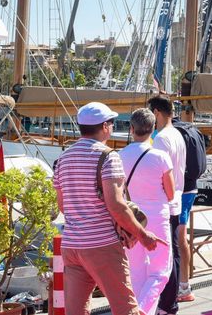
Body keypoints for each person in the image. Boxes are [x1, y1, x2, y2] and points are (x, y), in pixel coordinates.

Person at [52, 102, 160, 315]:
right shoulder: (108, 157)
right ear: (104, 127)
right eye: (111, 122)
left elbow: (62, 206)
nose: (111, 127)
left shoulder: (63, 159)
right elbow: (116, 206)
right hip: (101, 245)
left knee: (76, 310)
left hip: (72, 245)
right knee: (126, 309)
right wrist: (143, 234)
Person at [119, 109, 176, 315]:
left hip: (131, 216)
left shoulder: (119, 156)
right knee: (161, 270)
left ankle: (137, 308)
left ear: (131, 129)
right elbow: (170, 193)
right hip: (157, 216)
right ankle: (142, 309)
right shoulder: (160, 156)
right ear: (153, 130)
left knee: (136, 270)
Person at [150, 96, 187, 315]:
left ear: (156, 112)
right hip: (177, 197)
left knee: (165, 254)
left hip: (165, 201)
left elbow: (161, 174)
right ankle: (169, 301)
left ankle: (167, 302)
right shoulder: (177, 136)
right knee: (172, 251)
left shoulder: (162, 138)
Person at [173, 122, 207, 304]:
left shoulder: (169, 133)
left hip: (178, 191)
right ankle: (183, 284)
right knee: (180, 236)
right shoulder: (189, 129)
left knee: (179, 237)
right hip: (190, 189)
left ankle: (183, 286)